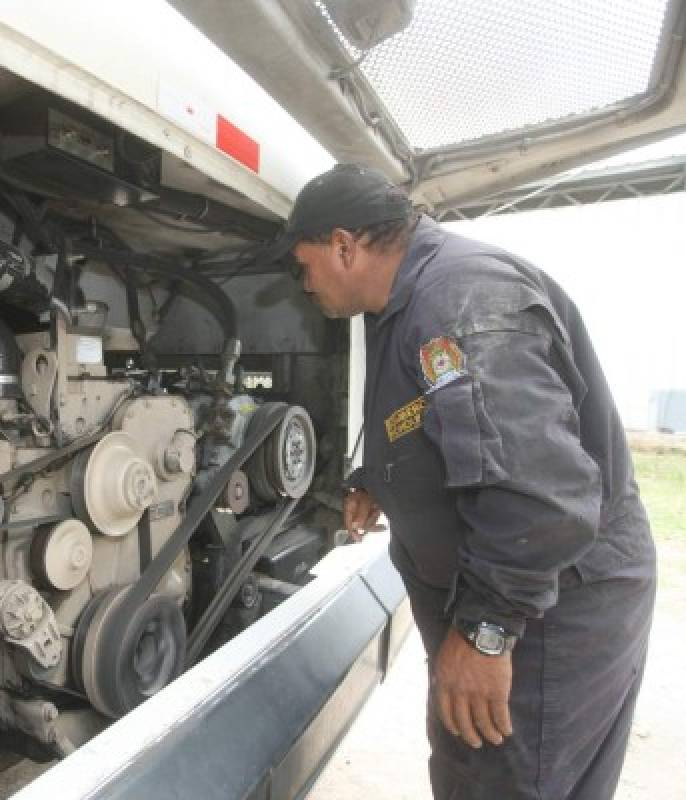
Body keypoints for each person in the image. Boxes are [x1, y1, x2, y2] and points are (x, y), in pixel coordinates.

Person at [281, 164, 656, 799]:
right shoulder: (401, 302)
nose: (302, 281)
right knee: (476, 774)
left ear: (344, 245)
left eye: (304, 263)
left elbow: (540, 495)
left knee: (509, 783)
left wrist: (486, 633)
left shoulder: (460, 300)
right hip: (513, 600)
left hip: (550, 610)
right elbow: (432, 417)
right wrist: (380, 479)